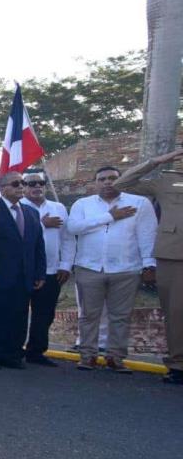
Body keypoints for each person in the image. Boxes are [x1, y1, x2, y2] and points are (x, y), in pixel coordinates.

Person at [67, 166, 157, 373]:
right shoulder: (83, 204)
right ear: (95, 183)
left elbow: (147, 235)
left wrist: (149, 264)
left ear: (121, 180)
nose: (108, 182)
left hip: (126, 268)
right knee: (89, 315)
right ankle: (87, 356)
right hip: (89, 267)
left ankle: (115, 357)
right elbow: (73, 228)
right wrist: (109, 216)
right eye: (102, 179)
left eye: (113, 178)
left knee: (121, 315)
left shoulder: (139, 203)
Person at [113, 147, 183, 384]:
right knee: (176, 313)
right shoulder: (166, 181)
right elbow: (123, 183)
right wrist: (157, 160)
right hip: (174, 255)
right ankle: (178, 365)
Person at [0, 172, 46, 369]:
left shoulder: (31, 213)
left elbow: (38, 245)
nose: (21, 187)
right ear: (3, 187)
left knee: (18, 317)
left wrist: (40, 272)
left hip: (24, 276)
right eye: (15, 184)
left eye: (22, 183)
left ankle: (11, 354)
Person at [21, 172, 75, 366]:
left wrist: (66, 265)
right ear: (23, 186)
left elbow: (67, 238)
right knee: (17, 312)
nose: (37, 186)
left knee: (44, 314)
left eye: (41, 183)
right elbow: (18, 236)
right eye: (31, 183)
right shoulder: (18, 207)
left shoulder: (58, 207)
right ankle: (12, 349)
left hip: (52, 271)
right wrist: (41, 224)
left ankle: (36, 352)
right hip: (23, 271)